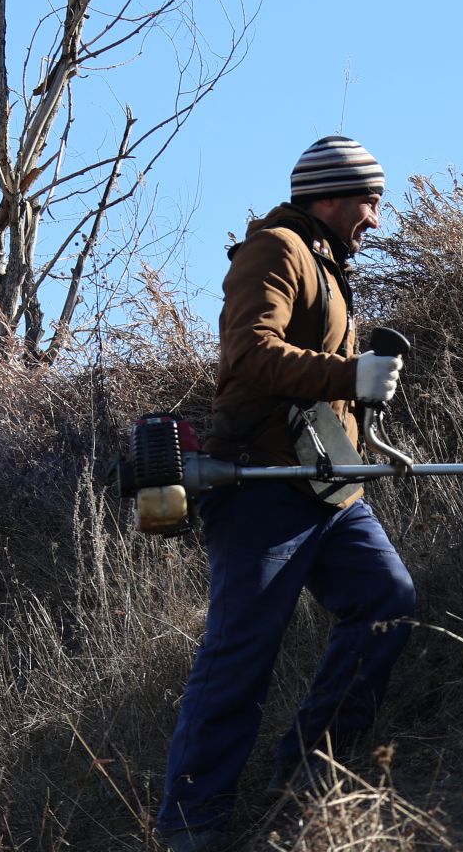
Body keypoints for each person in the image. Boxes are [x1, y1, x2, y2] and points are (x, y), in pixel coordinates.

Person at [155, 135, 417, 851]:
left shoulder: (325, 261)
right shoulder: (275, 251)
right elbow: (250, 352)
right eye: (370, 201)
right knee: (242, 653)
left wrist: (358, 404)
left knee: (387, 602)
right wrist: (348, 377)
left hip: (329, 488)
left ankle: (309, 779)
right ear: (330, 196)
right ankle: (190, 825)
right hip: (262, 485)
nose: (376, 218)